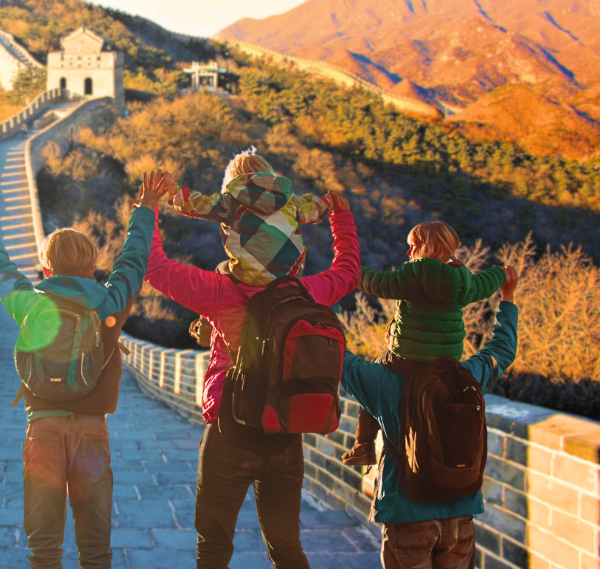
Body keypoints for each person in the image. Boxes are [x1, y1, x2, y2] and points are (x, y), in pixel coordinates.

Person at [0, 171, 169, 569]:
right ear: (92, 268)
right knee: (95, 551)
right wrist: (146, 210)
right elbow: (133, 261)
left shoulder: (30, 303)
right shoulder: (108, 303)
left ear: (46, 270)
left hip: (43, 428)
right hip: (92, 431)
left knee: (44, 550)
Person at [145, 167, 360, 568]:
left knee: (213, 547)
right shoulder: (307, 293)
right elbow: (348, 272)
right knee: (287, 548)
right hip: (285, 433)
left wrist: (148, 208)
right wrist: (341, 218)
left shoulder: (220, 292)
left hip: (231, 432)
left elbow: (154, 267)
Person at [340, 266, 519, 568]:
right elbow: (503, 349)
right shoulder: (466, 377)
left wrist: (325, 294)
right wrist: (508, 297)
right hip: (461, 516)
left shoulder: (382, 381)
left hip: (407, 516)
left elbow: (332, 353)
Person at [341, 222, 506, 466]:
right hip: (446, 361)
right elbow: (486, 283)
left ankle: (363, 445)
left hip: (406, 359)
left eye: (414, 246)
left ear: (434, 247)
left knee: (371, 381)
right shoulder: (464, 280)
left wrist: (348, 270)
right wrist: (502, 273)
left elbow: (376, 282)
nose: (409, 252)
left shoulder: (414, 275)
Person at [168, 147, 332, 285]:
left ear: (234, 178)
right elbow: (317, 208)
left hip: (249, 277)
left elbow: (195, 204)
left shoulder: (230, 202)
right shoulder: (290, 200)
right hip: (291, 275)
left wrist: (174, 191)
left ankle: (216, 314)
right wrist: (330, 202)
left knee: (221, 271)